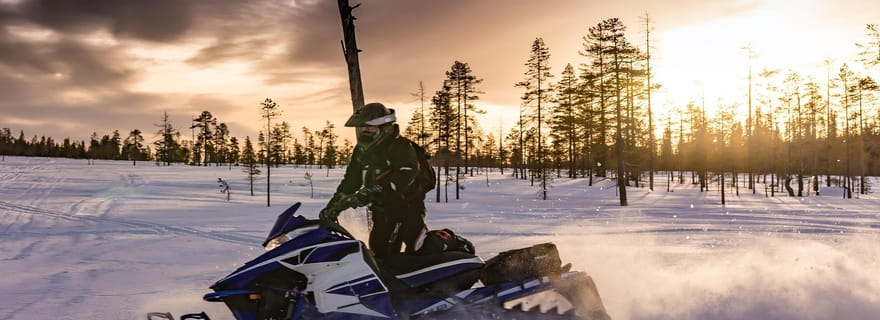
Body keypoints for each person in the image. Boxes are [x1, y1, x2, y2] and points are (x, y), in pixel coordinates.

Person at [319, 102, 472, 258]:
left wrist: (371, 192)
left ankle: (453, 243)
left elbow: (406, 175)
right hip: (380, 211)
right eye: (362, 128)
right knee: (380, 254)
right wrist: (333, 207)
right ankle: (401, 280)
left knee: (420, 248)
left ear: (384, 128)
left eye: (370, 128)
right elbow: (350, 182)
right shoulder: (361, 151)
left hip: (406, 208)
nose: (365, 132)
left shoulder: (400, 147)